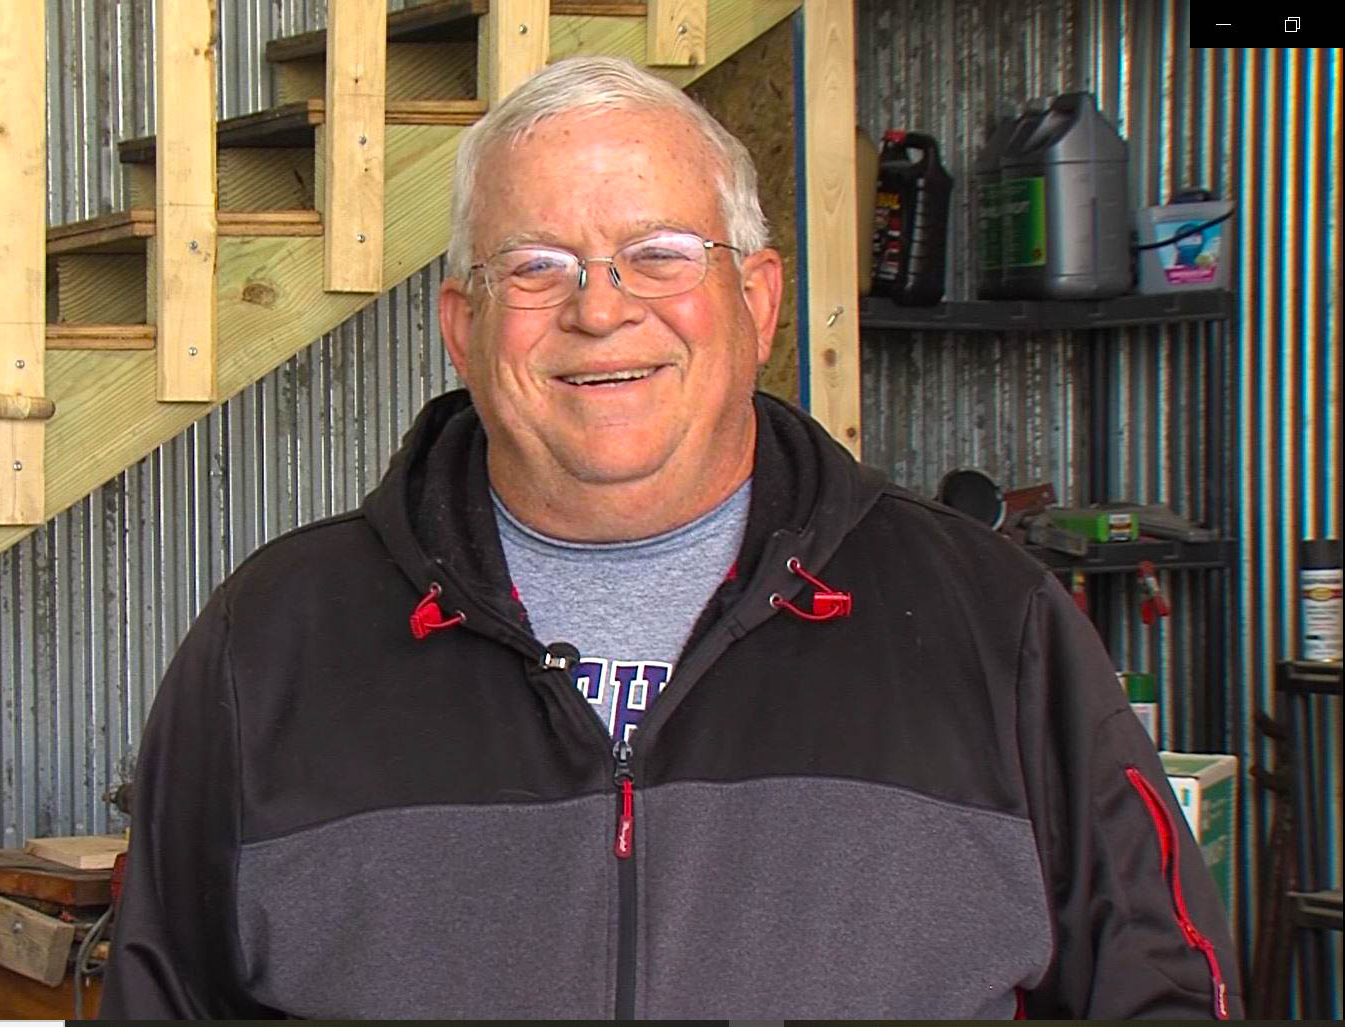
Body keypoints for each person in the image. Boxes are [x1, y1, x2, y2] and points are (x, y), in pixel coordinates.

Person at [99, 55, 1241, 1019]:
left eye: (659, 254)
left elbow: (1163, 986)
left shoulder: (990, 621)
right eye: (537, 266)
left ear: (756, 298)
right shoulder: (274, 639)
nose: (600, 308)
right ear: (462, 323)